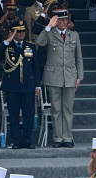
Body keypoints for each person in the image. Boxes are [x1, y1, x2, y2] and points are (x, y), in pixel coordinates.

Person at [36, 9, 83, 148]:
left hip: (70, 76)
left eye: (65, 20)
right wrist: (48, 26)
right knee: (56, 109)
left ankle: (67, 137)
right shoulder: (50, 34)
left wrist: (79, 76)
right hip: (53, 76)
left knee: (68, 109)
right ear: (56, 21)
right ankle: (57, 138)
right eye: (61, 20)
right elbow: (39, 42)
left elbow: (79, 57)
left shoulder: (74, 35)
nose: (64, 22)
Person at [0, 19, 40, 149]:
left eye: (23, 31)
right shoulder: (7, 46)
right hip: (12, 85)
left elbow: (35, 67)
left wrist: (37, 85)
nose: (22, 33)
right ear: (12, 32)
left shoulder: (30, 46)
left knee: (28, 114)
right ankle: (16, 139)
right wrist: (7, 41)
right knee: (13, 114)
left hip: (28, 84)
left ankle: (27, 139)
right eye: (19, 31)